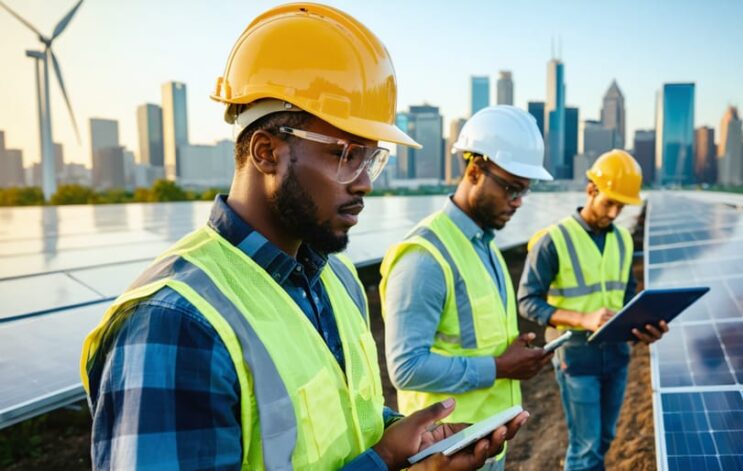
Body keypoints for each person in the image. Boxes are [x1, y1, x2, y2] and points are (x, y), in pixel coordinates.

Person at [79, 4, 527, 470]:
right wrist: (382, 464)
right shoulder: (175, 325)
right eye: (347, 154)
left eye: (373, 159)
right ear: (267, 152)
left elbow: (345, 427)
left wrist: (406, 440)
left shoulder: (337, 278)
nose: (365, 182)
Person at [380, 106, 554, 470]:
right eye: (511, 188)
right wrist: (500, 367)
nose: (519, 201)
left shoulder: (486, 246)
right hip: (443, 454)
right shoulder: (424, 256)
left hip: (487, 443)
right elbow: (406, 367)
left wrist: (513, 353)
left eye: (525, 190)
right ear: (474, 170)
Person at [517, 149, 668, 471]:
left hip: (617, 356)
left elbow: (627, 297)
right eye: (609, 202)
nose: (614, 212)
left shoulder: (624, 241)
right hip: (576, 357)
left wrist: (644, 327)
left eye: (621, 205)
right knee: (586, 449)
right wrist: (582, 319)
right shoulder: (553, 240)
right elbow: (528, 300)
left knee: (604, 439)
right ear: (591, 190)